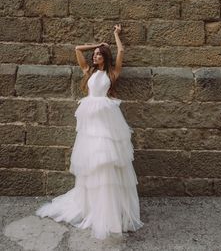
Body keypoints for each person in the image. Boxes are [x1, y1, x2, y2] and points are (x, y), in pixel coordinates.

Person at [35, 24, 144, 240]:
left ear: (104, 57)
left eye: (98, 55)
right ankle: (92, 205)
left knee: (107, 159)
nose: (94, 57)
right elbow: (77, 49)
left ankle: (110, 209)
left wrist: (115, 36)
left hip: (107, 122)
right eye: (94, 55)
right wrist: (97, 44)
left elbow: (121, 52)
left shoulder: (112, 73)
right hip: (90, 123)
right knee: (91, 160)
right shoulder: (88, 71)